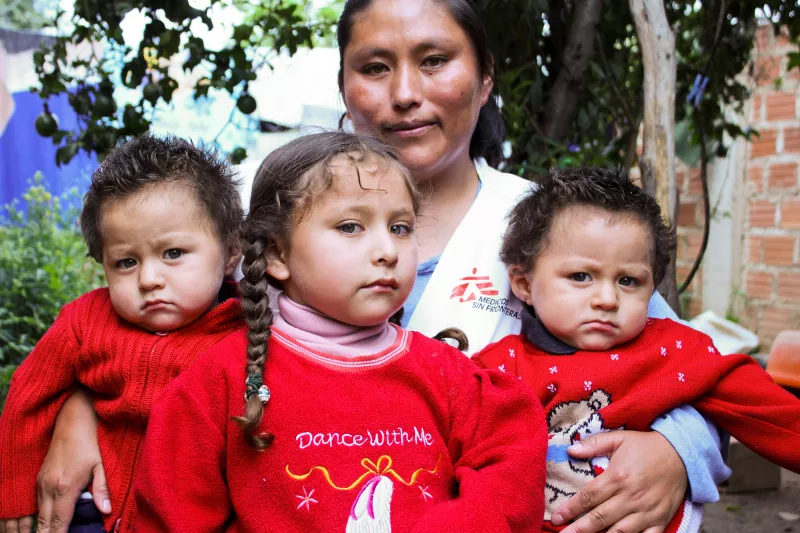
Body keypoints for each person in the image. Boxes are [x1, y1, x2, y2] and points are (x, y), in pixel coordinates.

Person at [33, 2, 729, 532]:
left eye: (435, 60)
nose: (403, 93)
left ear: (485, 79)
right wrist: (86, 402)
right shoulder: (254, 210)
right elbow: (145, 318)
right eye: (374, 66)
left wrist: (678, 452)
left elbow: (676, 363)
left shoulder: (550, 225)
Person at [132, 131, 547, 532]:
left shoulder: (446, 373)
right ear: (277, 253)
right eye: (351, 227)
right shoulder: (221, 381)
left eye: (400, 228)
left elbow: (513, 459)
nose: (387, 251)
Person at [475, 167, 800, 532]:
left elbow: (772, 414)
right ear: (523, 283)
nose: (607, 299)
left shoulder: (675, 351)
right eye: (581, 276)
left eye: (629, 280)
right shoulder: (496, 368)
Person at [0, 135, 245, 533]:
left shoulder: (244, 338)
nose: (149, 279)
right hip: (88, 510)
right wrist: (12, 494)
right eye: (126, 262)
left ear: (232, 249)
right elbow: (29, 395)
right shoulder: (85, 320)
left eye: (173, 254)